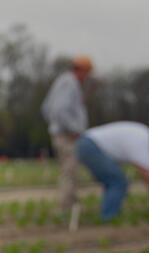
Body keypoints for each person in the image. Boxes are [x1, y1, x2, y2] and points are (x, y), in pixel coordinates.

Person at [75, 121, 149, 221]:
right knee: (118, 182)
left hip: (87, 143)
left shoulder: (143, 134)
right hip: (90, 146)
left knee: (113, 181)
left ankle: (108, 213)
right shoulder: (142, 141)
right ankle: (108, 217)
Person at [41, 56, 93, 213]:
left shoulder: (62, 81)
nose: (87, 78)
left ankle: (71, 204)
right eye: (87, 73)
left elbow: (46, 108)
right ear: (81, 70)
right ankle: (66, 208)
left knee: (69, 171)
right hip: (67, 136)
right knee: (69, 172)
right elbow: (59, 110)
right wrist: (73, 130)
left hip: (61, 134)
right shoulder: (69, 83)